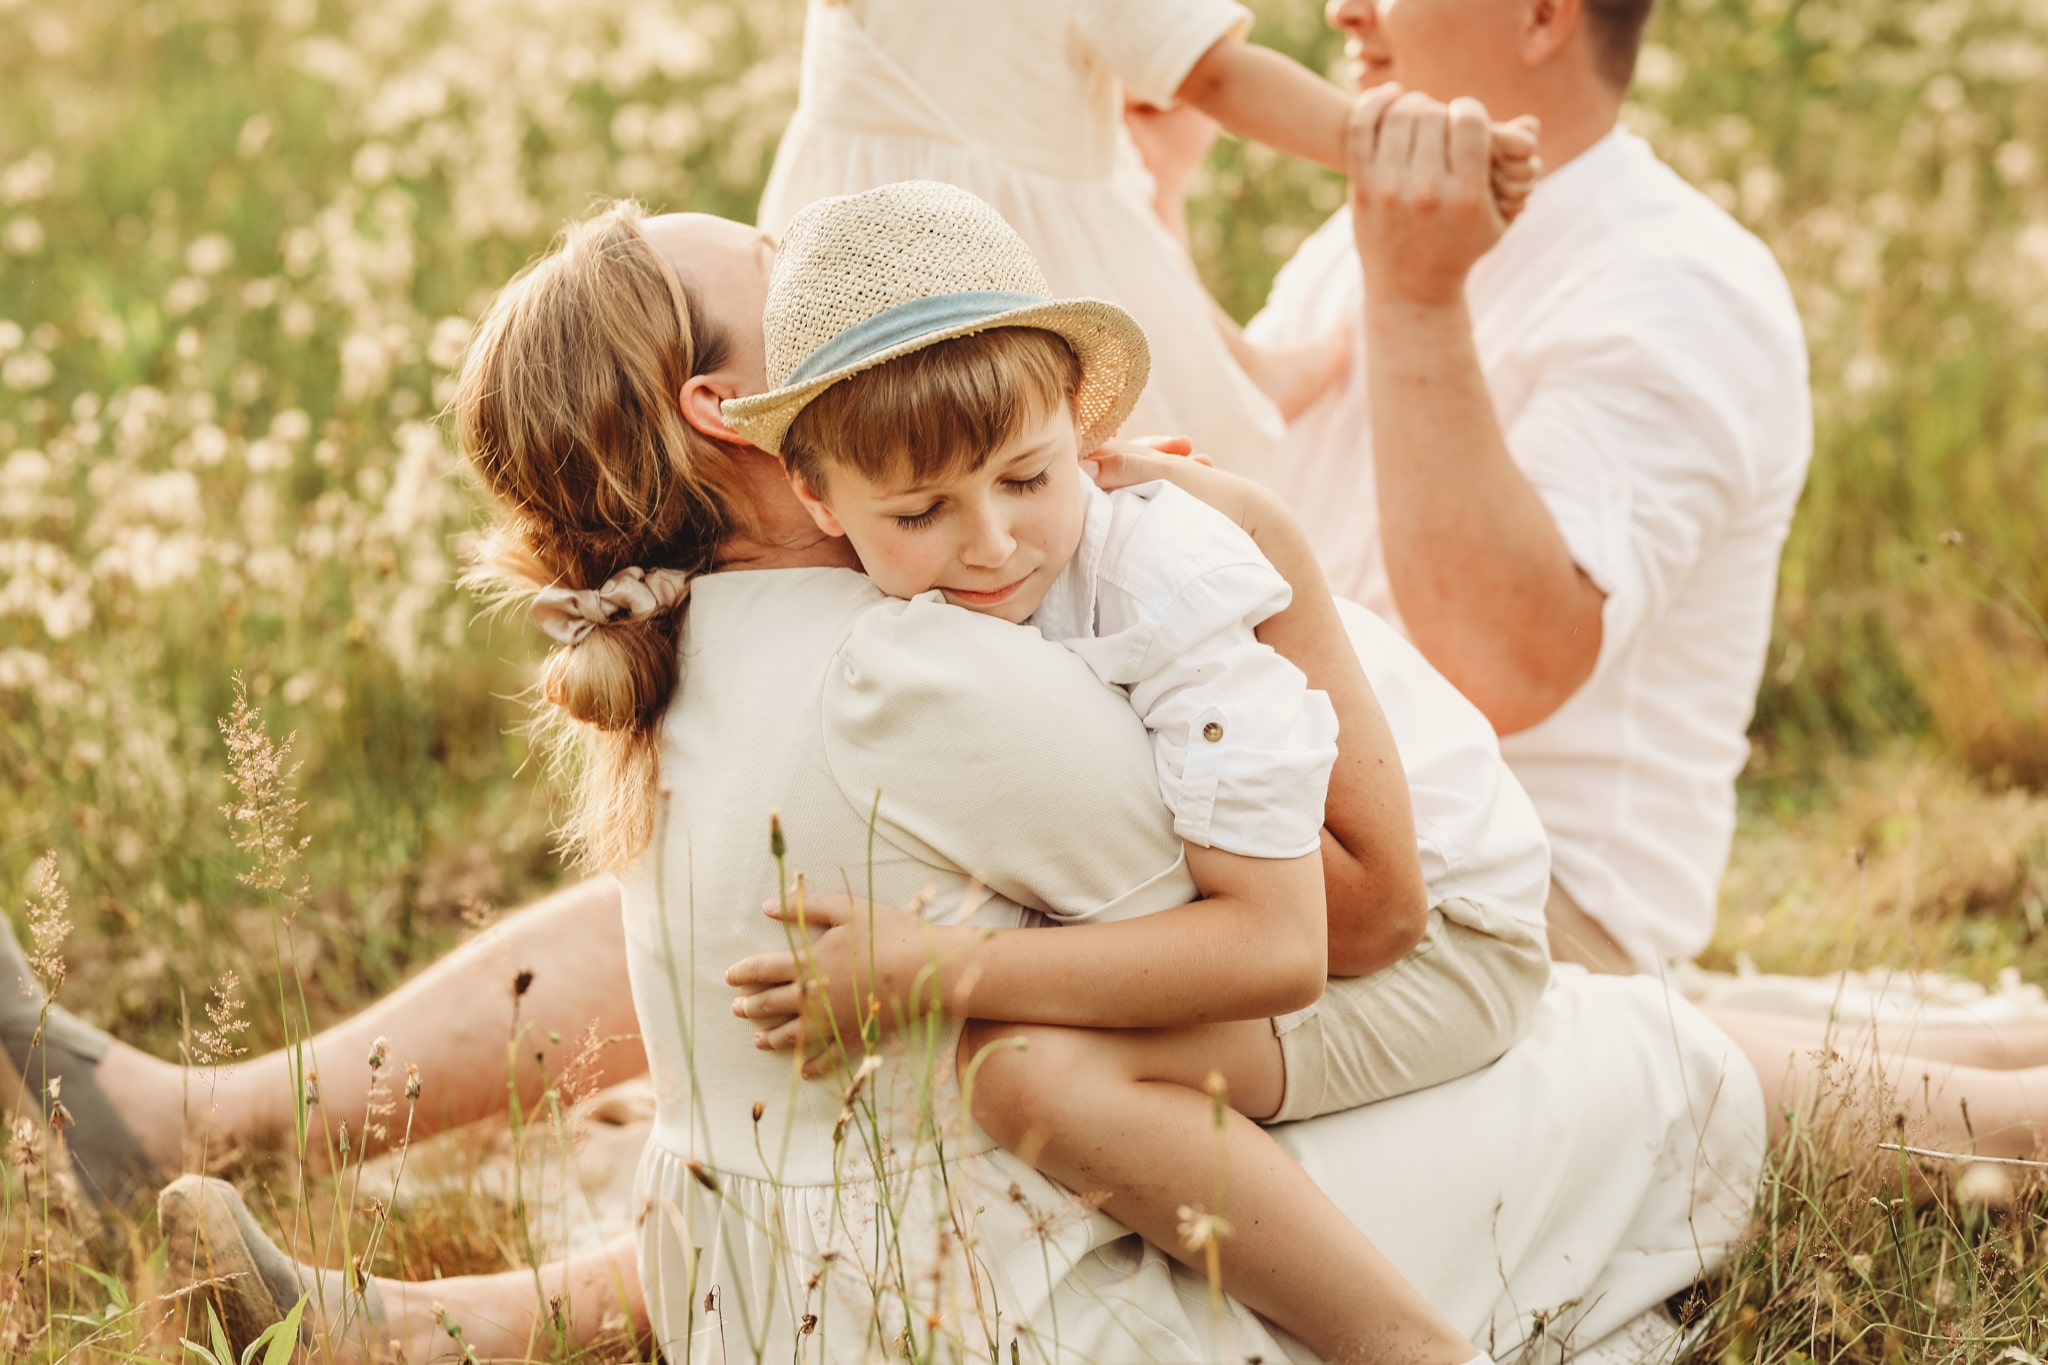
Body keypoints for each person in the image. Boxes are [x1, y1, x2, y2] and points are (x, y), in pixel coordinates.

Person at [113, 187, 1765, 1364]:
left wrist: (1269, 569)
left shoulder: (729, 645)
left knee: (1051, 1069)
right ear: (756, 426)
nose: (800, 244)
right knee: (1032, 1078)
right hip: (1253, 1006)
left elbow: (1351, 914)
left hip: (1408, 914)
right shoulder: (913, 648)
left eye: (1023, 476)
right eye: (770, 259)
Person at [713, 178, 1550, 1358]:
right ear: (815, 497)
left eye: (1026, 476)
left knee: (1021, 1078)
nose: (991, 544)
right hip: (1295, 914)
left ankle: (1406, 1347)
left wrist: (935, 970)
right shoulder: (868, 603)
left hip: (1447, 940)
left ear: (1080, 426)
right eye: (918, 514)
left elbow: (1287, 945)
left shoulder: (1165, 579)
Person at [1129, 0, 1813, 978]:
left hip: (1536, 906)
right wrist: (1145, 198)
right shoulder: (1347, 242)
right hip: (1321, 834)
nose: (1343, 11)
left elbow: (1502, 663)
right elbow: (1216, 490)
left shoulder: (1680, 284)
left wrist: (1416, 300)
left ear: (1541, 16)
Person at [756, 0, 1539, 483]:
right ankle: (1244, 385)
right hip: (1010, 260)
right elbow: (1221, 78)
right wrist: (1382, 141)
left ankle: (1251, 371)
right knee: (1127, 439)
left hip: (846, 253)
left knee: (877, 459)